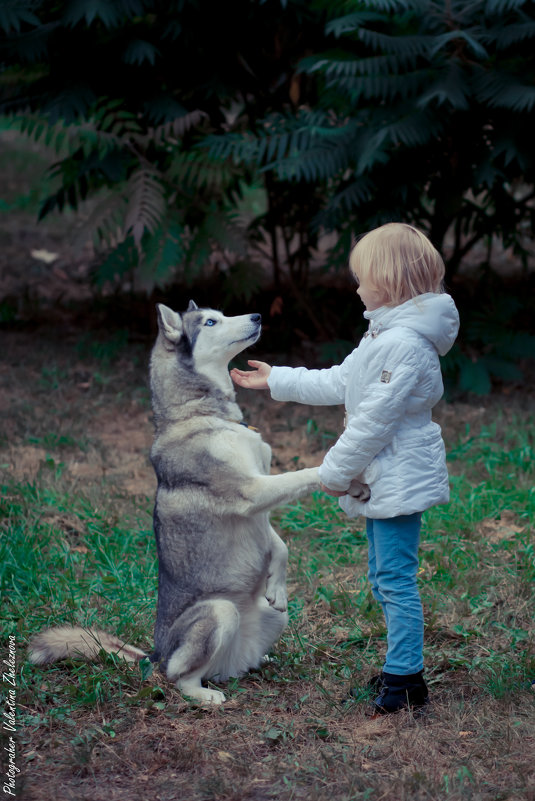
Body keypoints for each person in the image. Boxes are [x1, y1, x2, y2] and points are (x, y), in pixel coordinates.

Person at [230, 222, 460, 715]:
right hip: (383, 475)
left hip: (397, 476)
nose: (356, 287)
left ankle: (405, 679)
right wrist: (279, 379)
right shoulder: (385, 333)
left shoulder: (405, 345)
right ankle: (404, 667)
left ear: (391, 280)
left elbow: (372, 424)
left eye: (362, 278)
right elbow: (342, 382)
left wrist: (332, 473)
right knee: (383, 576)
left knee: (395, 578)